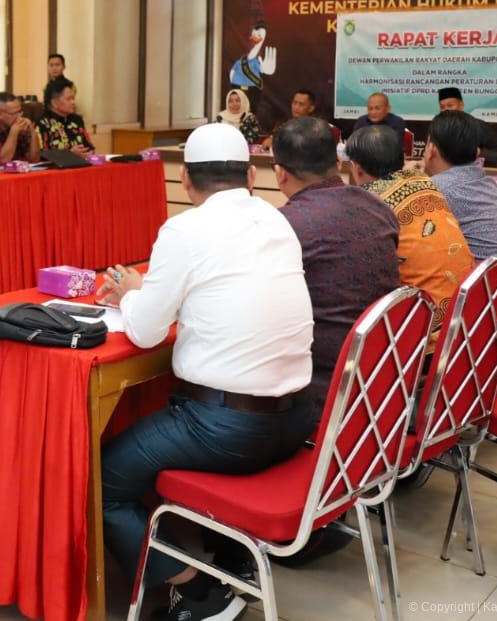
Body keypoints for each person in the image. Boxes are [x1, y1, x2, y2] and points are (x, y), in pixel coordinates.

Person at [96, 124, 317, 621]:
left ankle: (199, 593)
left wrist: (133, 291)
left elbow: (147, 332)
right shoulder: (277, 220)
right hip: (297, 420)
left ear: (186, 185)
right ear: (253, 176)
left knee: (106, 478)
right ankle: (229, 555)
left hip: (228, 431)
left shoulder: (184, 229)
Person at [272, 117, 399, 405]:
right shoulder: (380, 208)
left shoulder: (283, 226)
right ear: (339, 163)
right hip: (381, 377)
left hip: (318, 390)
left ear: (280, 174)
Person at [345, 125, 473, 330]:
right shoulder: (423, 180)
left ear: (356, 168)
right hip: (466, 319)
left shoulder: (369, 204)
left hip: (422, 335)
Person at [425, 110, 497, 260]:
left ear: (431, 150)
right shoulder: (485, 181)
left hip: (475, 280)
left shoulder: (436, 189)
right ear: (477, 153)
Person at [436, 86, 497, 166]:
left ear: (461, 106)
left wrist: (476, 152)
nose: (446, 110)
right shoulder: (438, 130)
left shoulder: (478, 127)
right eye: (442, 107)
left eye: (450, 106)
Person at [37, 77, 94, 154]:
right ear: (54, 102)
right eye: (69, 99)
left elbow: (89, 148)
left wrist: (88, 153)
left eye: (73, 98)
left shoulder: (77, 120)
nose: (73, 102)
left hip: (82, 164)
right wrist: (69, 154)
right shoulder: (43, 123)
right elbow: (41, 156)